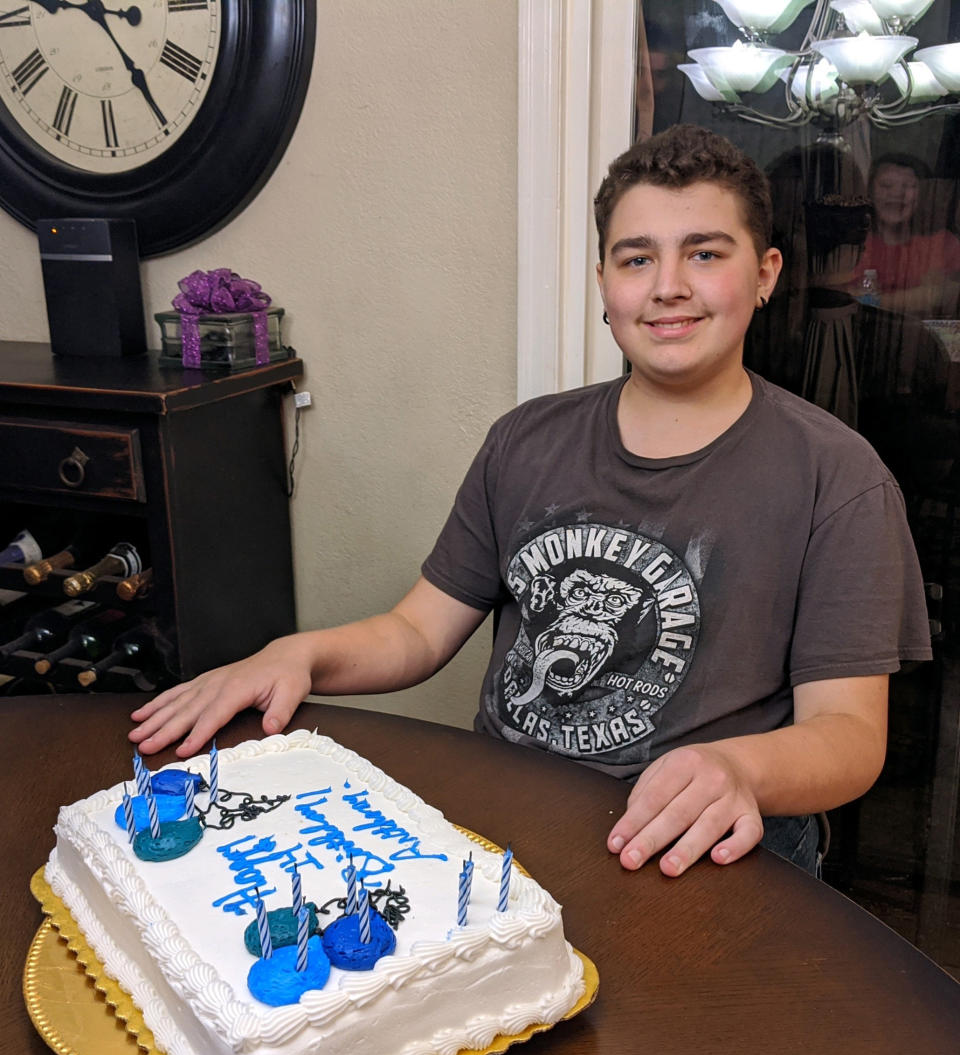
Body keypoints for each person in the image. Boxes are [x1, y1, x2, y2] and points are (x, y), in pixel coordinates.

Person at [131, 125, 931, 878]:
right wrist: (296, 654)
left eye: (705, 253)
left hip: (707, 843)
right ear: (603, 284)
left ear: (765, 275)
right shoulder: (525, 441)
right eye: (636, 259)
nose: (670, 287)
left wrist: (736, 767)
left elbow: (851, 736)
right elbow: (416, 631)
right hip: (513, 817)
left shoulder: (838, 477)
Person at [849, 153, 960, 318]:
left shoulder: (944, 244)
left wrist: (875, 301)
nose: (897, 194)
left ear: (923, 194)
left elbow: (948, 296)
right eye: (886, 185)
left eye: (908, 186)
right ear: (869, 191)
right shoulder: (851, 246)